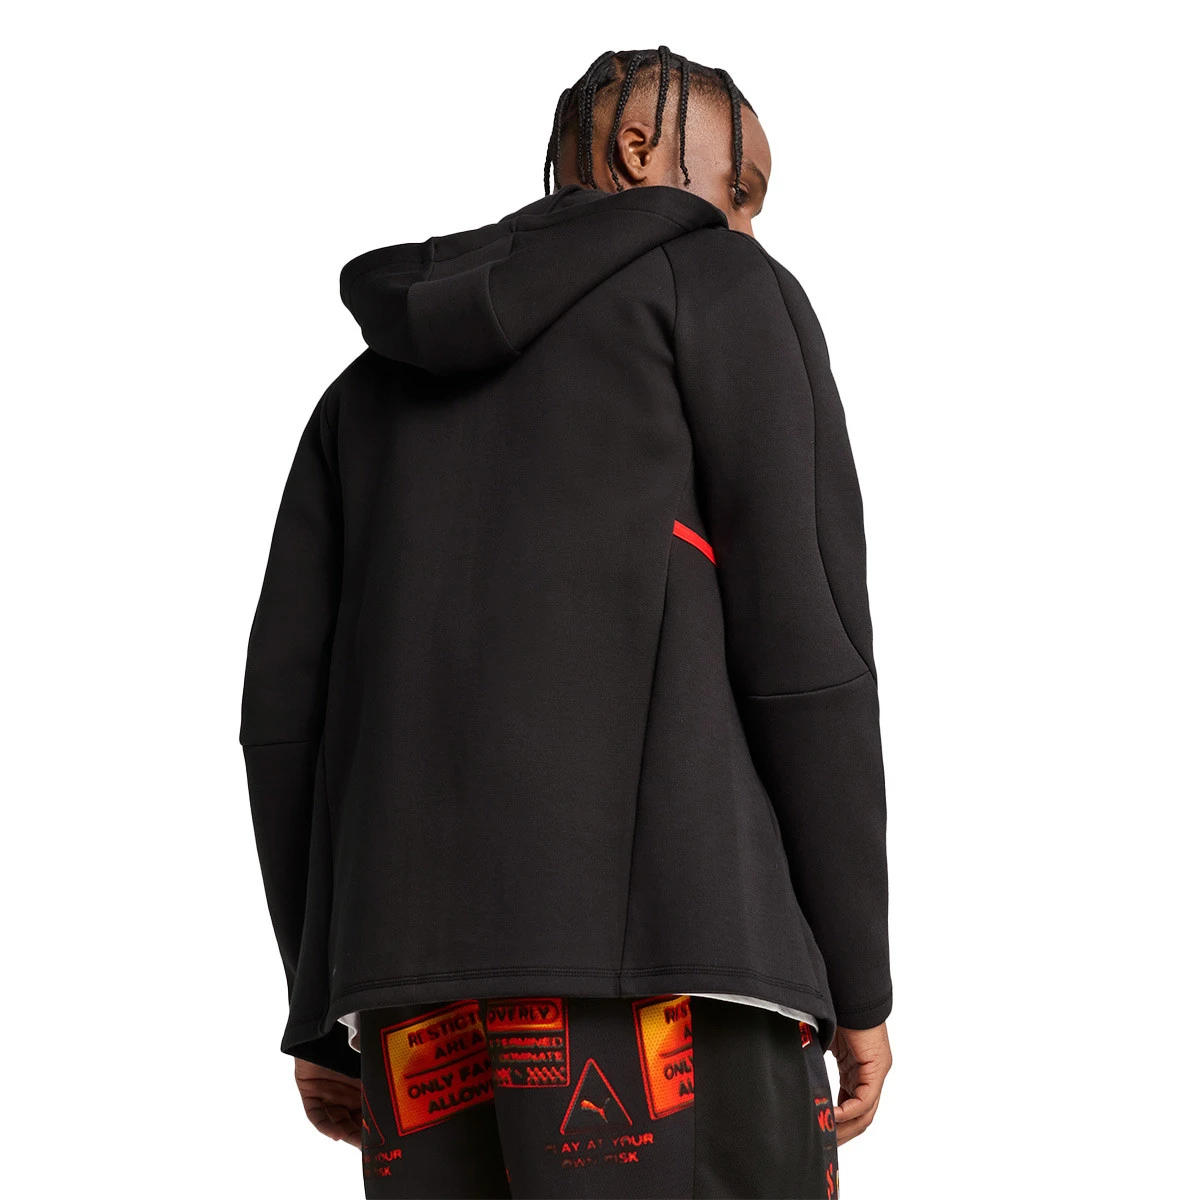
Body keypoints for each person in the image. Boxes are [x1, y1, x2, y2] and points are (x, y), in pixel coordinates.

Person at [241, 45, 893, 1199]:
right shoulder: (723, 290)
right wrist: (858, 979)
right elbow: (808, 653)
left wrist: (321, 1003)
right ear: (642, 150)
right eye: (740, 188)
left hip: (416, 1013)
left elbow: (285, 722)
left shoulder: (365, 390)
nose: (746, 222)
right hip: (681, 977)